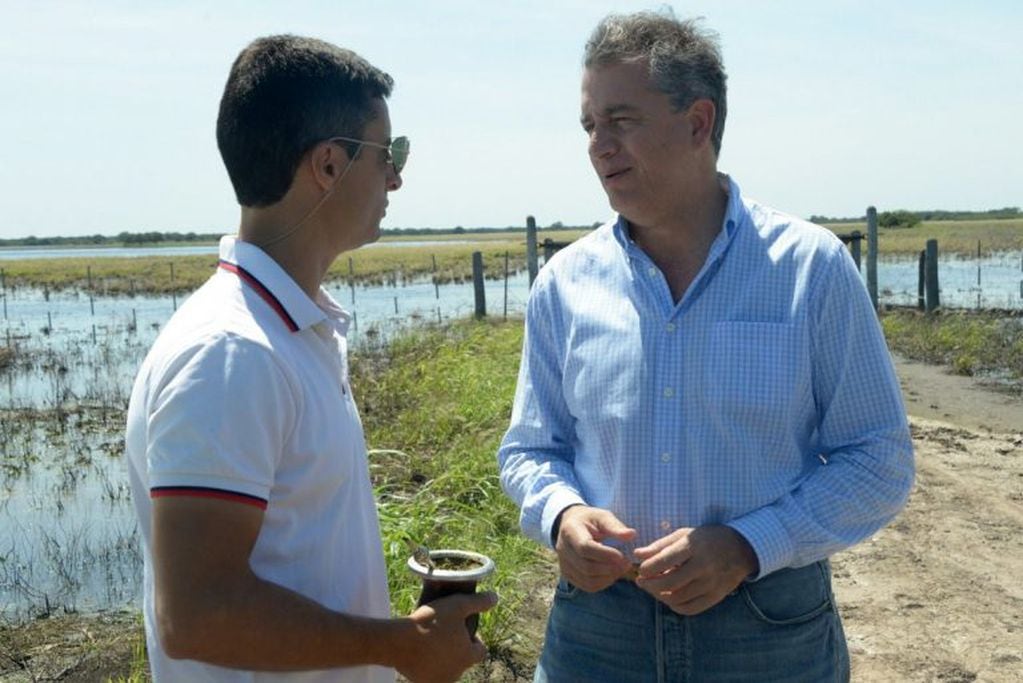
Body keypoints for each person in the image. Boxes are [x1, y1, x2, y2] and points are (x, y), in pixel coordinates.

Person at [498, 10, 914, 682]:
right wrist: (561, 513)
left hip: (767, 628)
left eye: (621, 120)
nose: (597, 146)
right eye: (589, 125)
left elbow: (878, 457)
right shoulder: (564, 282)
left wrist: (749, 546)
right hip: (599, 626)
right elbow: (529, 448)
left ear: (697, 123)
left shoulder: (810, 267)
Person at [125, 35, 496, 683]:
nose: (397, 176)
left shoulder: (283, 331)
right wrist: (400, 645)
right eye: (390, 152)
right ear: (328, 164)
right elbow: (197, 614)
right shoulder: (231, 353)